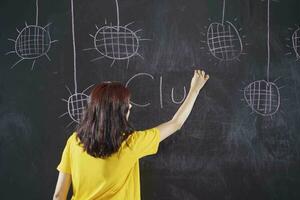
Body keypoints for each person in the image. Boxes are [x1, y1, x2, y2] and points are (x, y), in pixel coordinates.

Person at [53, 70, 209, 200]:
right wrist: (194, 89)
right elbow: (176, 123)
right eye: (127, 106)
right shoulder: (130, 144)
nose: (131, 106)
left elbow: (59, 196)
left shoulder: (74, 142)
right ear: (118, 114)